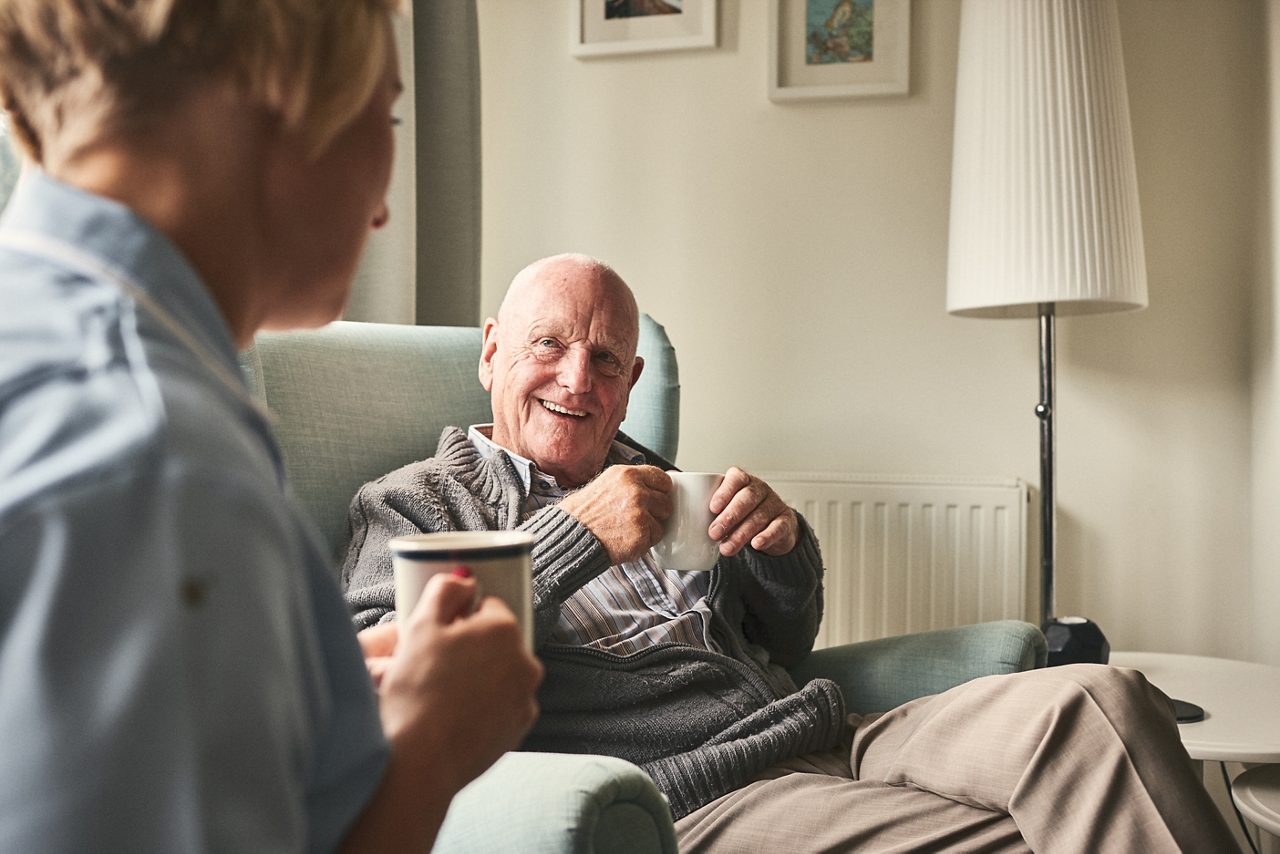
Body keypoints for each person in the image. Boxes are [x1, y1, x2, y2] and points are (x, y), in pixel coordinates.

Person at [342, 252, 1238, 852]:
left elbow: (788, 639)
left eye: (608, 360)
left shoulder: (657, 479)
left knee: (1099, 703)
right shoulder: (413, 500)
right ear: (492, 352)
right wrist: (581, 534)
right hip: (700, 793)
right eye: (549, 345)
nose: (579, 378)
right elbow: (389, 680)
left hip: (830, 729)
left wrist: (778, 550)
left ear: (630, 388)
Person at [0, 3, 541, 852]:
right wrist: (433, 746)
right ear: (275, 96)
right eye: (387, 115)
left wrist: (286, 690)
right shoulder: (164, 474)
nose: (385, 210)